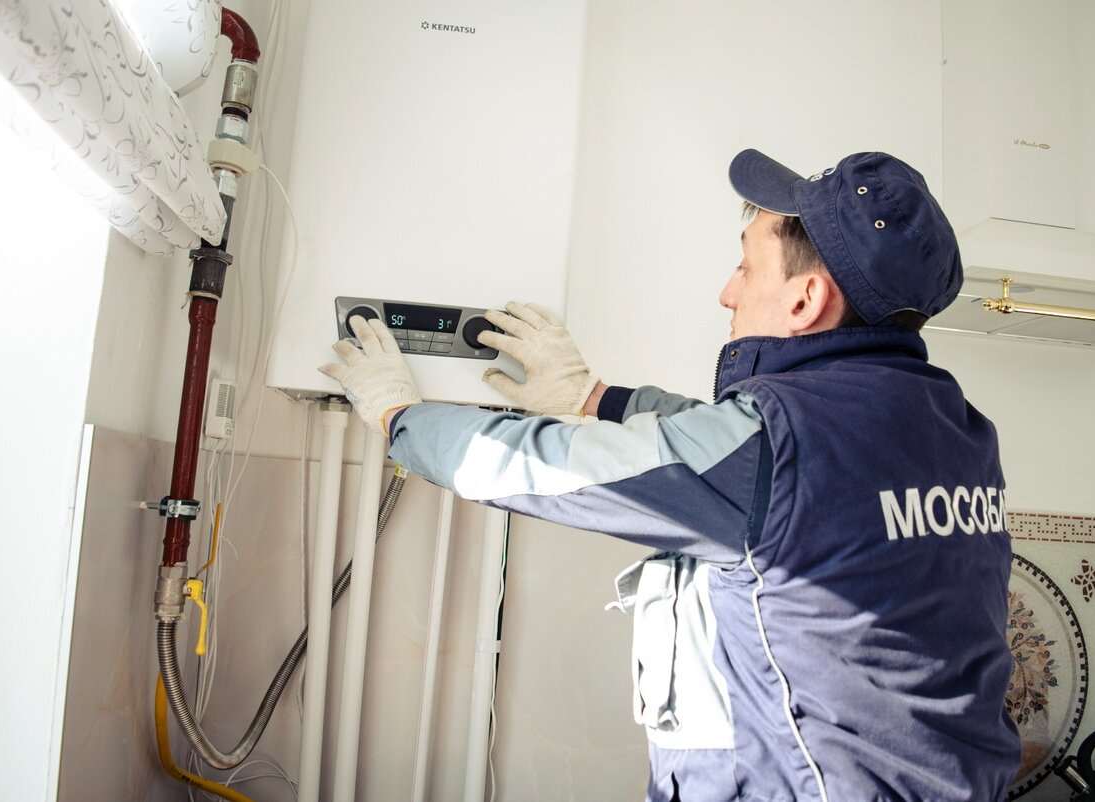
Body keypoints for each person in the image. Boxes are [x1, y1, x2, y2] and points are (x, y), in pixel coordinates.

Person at [319, 149, 1022, 801]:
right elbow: (749, 462)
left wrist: (400, 417)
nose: (727, 292)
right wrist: (595, 398)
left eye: (745, 268)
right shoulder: (953, 427)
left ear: (805, 300)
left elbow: (550, 468)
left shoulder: (774, 447)